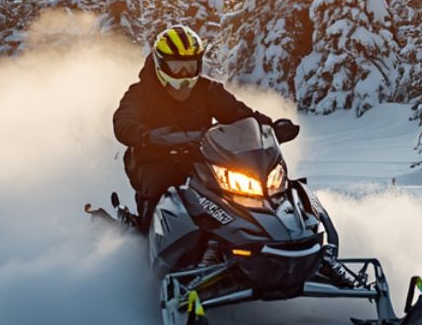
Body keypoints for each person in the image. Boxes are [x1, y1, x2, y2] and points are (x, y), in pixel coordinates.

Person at [112, 25, 300, 228]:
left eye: (190, 66)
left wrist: (270, 127)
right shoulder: (141, 93)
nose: (184, 73)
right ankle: (147, 232)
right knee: (162, 187)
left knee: (247, 187)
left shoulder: (206, 89)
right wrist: (145, 136)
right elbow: (123, 120)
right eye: (176, 67)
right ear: (160, 64)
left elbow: (239, 113)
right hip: (155, 159)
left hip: (202, 156)